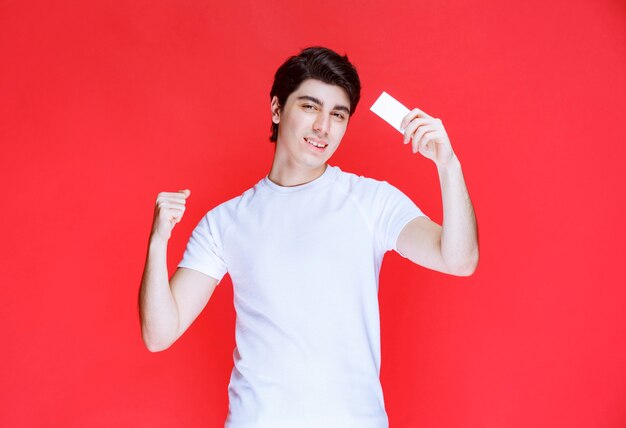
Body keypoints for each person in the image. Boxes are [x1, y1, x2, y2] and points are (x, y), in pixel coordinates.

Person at [139, 46, 478, 428]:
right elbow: (159, 333)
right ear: (276, 109)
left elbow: (459, 260)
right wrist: (158, 242)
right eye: (310, 107)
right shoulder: (226, 222)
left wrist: (448, 166)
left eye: (338, 114)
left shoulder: (372, 202)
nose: (323, 127)